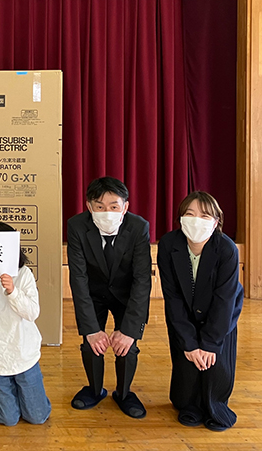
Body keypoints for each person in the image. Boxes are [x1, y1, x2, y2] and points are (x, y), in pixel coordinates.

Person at [157, 191, 243, 431]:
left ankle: (216, 406)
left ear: (216, 222)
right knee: (187, 362)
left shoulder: (226, 249)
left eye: (205, 216)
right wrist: (190, 344)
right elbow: (172, 297)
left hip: (220, 315)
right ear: (180, 218)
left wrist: (209, 344)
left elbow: (225, 300)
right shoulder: (168, 244)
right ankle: (188, 405)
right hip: (183, 311)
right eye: (190, 214)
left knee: (216, 364)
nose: (196, 221)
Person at [67, 176, 151, 418]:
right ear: (89, 206)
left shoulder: (138, 227)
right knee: (91, 344)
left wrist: (129, 330)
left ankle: (124, 394)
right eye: (99, 206)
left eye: (114, 206)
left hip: (126, 294)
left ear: (125, 207)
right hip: (93, 293)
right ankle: (94, 390)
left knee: (128, 346)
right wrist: (91, 329)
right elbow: (78, 279)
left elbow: (142, 280)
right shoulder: (77, 226)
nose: (107, 213)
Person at [0, 222, 51, 427]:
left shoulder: (23, 274)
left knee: (37, 417)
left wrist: (13, 291)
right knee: (7, 419)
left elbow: (32, 313)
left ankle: (19, 397)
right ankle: (1, 398)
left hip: (24, 354)